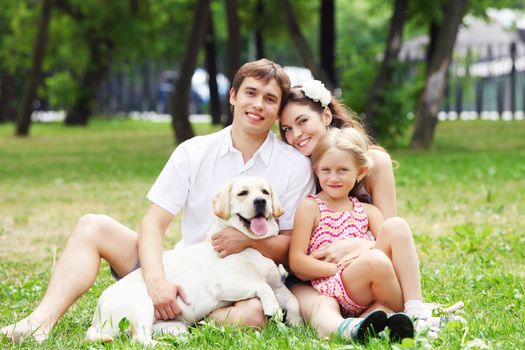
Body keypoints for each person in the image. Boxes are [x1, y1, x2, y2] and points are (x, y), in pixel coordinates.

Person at [1, 59, 315, 343]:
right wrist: (157, 282)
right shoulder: (194, 151)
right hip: (178, 268)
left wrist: (246, 242)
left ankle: (184, 320)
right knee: (92, 225)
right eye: (251, 93)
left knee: (252, 316)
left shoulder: (292, 164)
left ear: (277, 111)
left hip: (239, 279)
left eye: (270, 99)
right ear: (233, 96)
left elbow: (290, 246)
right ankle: (40, 321)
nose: (258, 104)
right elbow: (153, 223)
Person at [280, 81, 429, 339]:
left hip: (368, 270)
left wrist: (361, 247)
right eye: (286, 129)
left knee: (393, 237)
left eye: (302, 121)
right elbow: (297, 260)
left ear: (326, 115)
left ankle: (413, 312)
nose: (296, 135)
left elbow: (390, 240)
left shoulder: (370, 165)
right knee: (321, 307)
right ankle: (352, 327)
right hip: (317, 279)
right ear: (317, 170)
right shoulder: (295, 172)